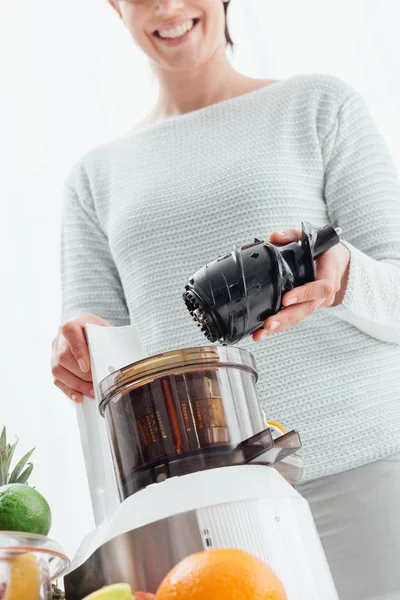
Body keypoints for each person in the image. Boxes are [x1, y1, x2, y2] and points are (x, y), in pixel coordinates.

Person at [51, 1, 400, 598]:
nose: (165, 6)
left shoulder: (317, 105)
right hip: (209, 509)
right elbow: (98, 352)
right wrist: (78, 349)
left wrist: (342, 280)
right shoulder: (94, 178)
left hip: (365, 467)